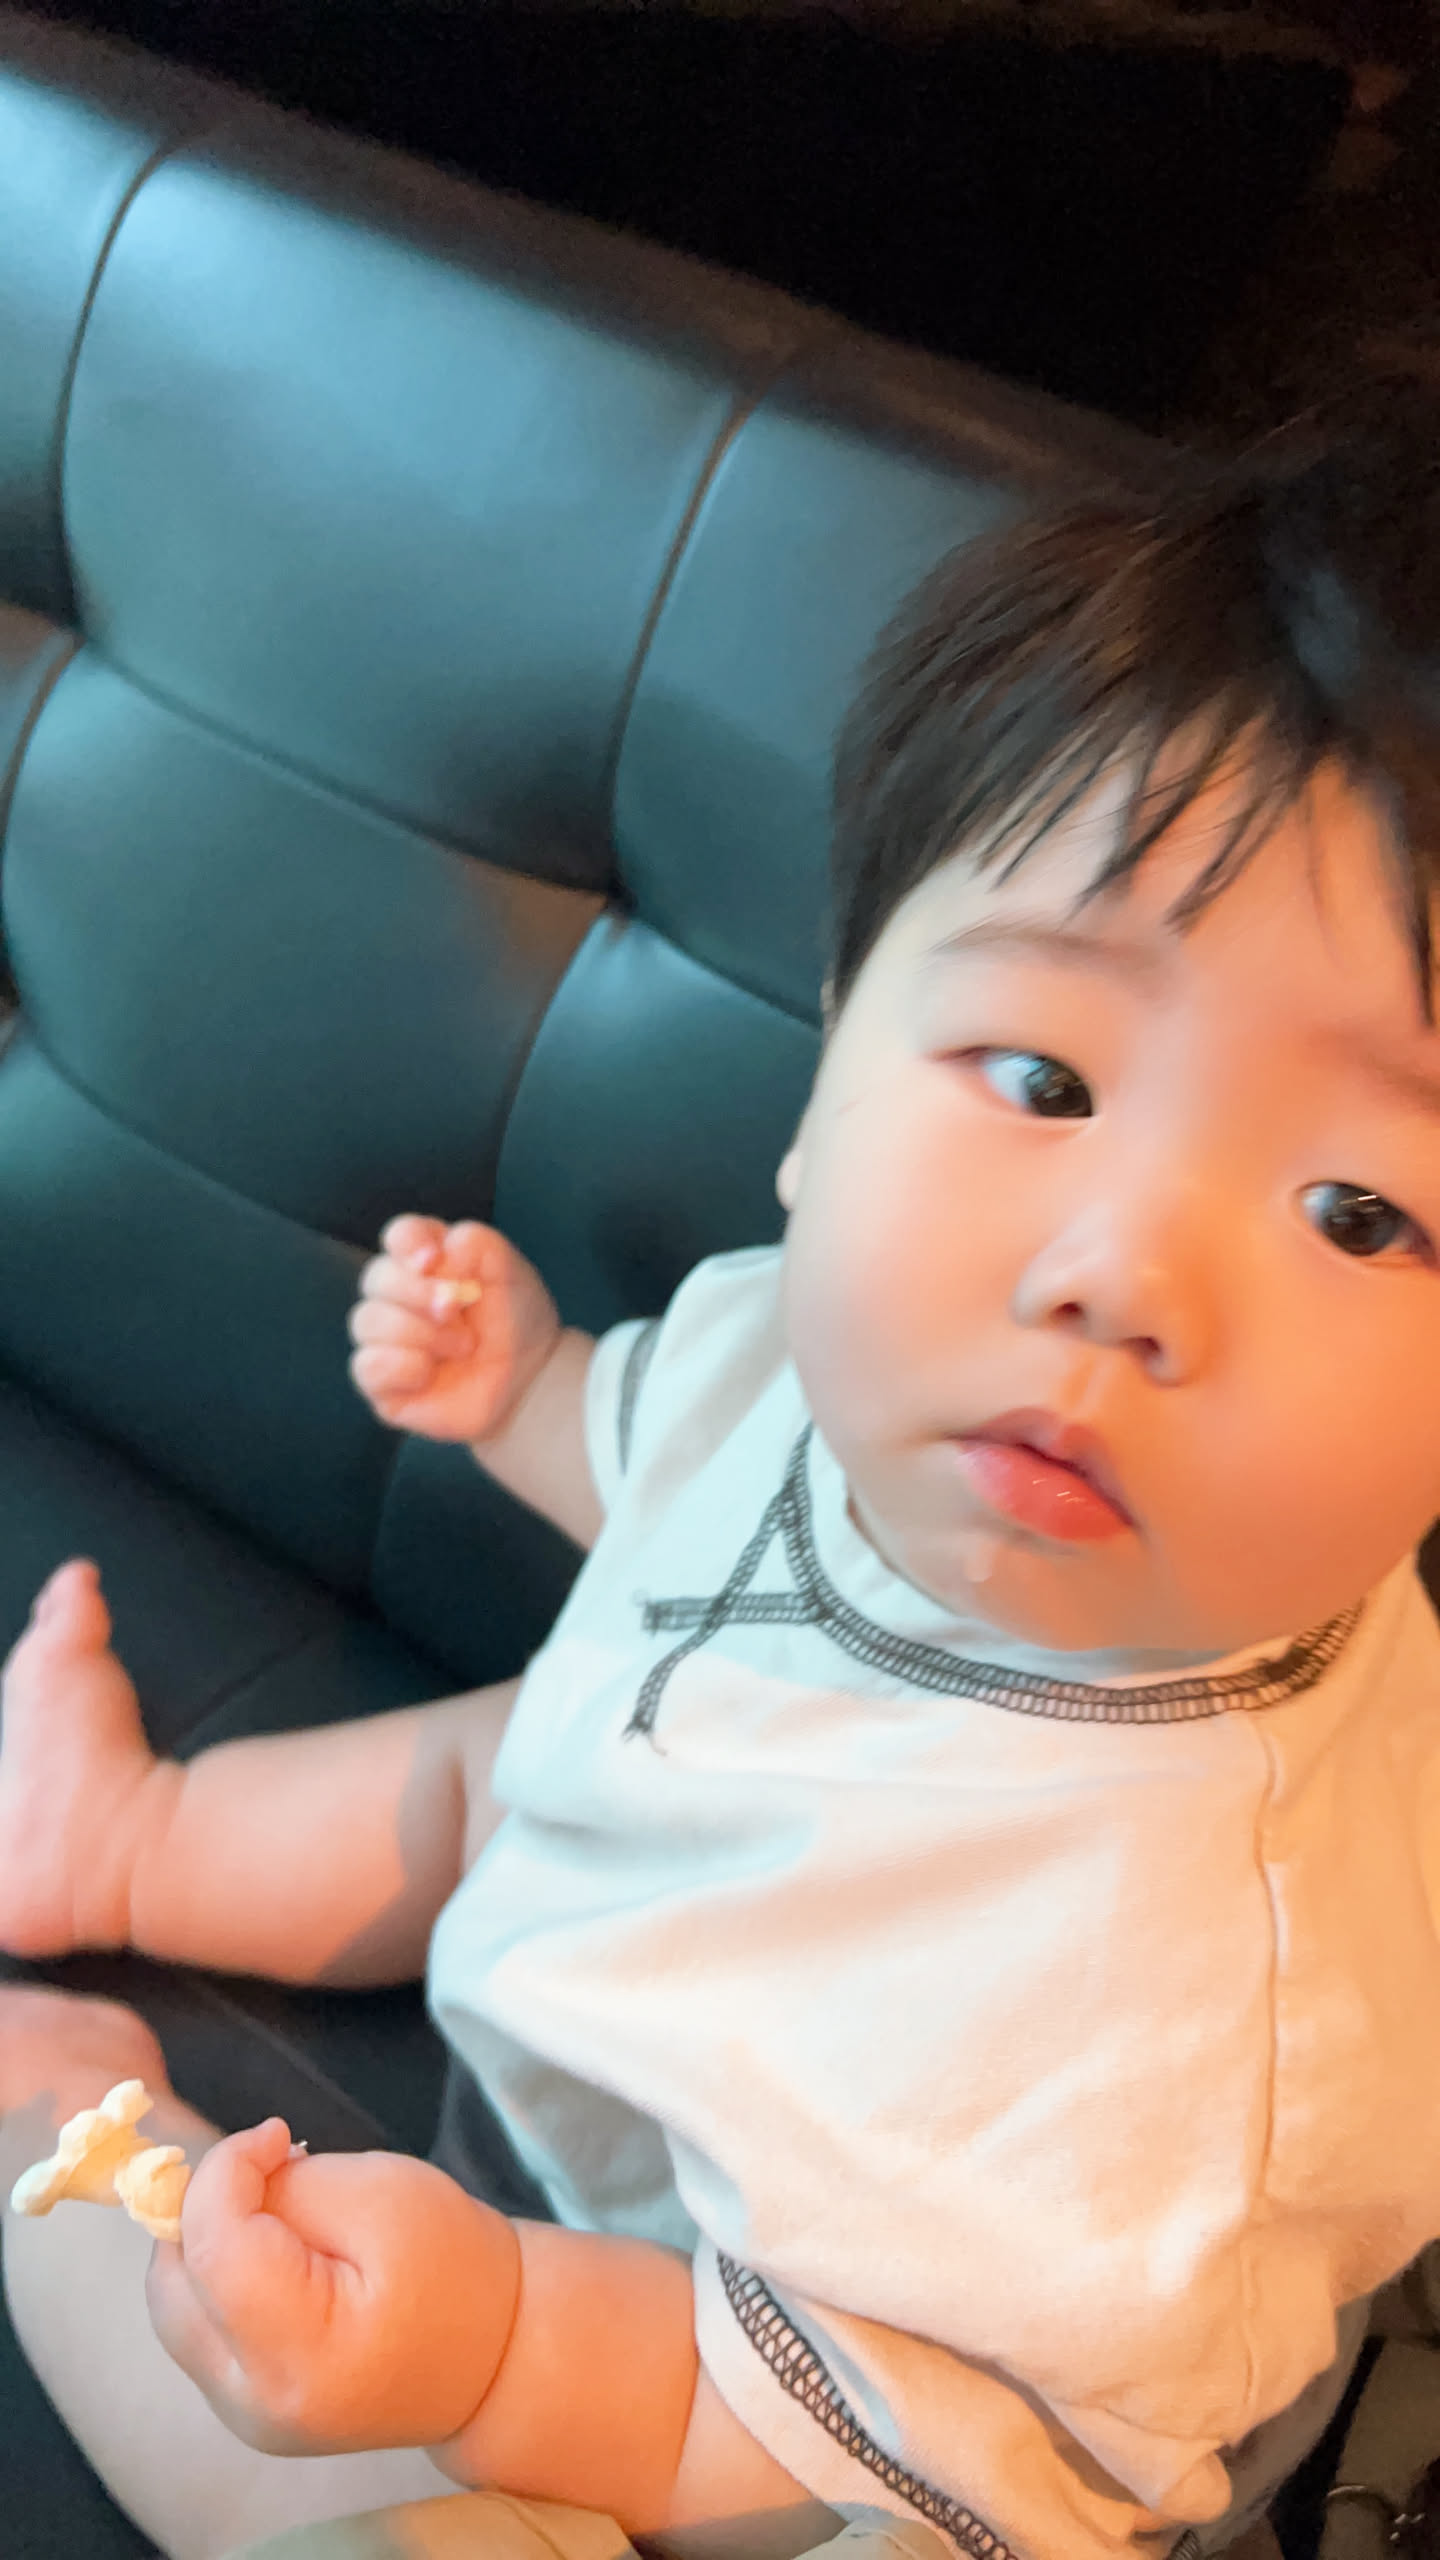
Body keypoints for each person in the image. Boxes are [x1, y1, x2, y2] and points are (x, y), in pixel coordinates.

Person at [2, 381, 1439, 2560]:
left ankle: (64, 2137)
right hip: (634, 1994)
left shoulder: (1191, 2022)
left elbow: (891, 2430)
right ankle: (122, 1841)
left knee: (379, 2521)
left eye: (1360, 1210)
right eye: (1046, 1075)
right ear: (836, 1056)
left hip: (793, 2411)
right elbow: (677, 1487)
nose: (1117, 1273)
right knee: (556, 1732)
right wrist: (528, 1391)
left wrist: (494, 2345)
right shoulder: (832, 1355)